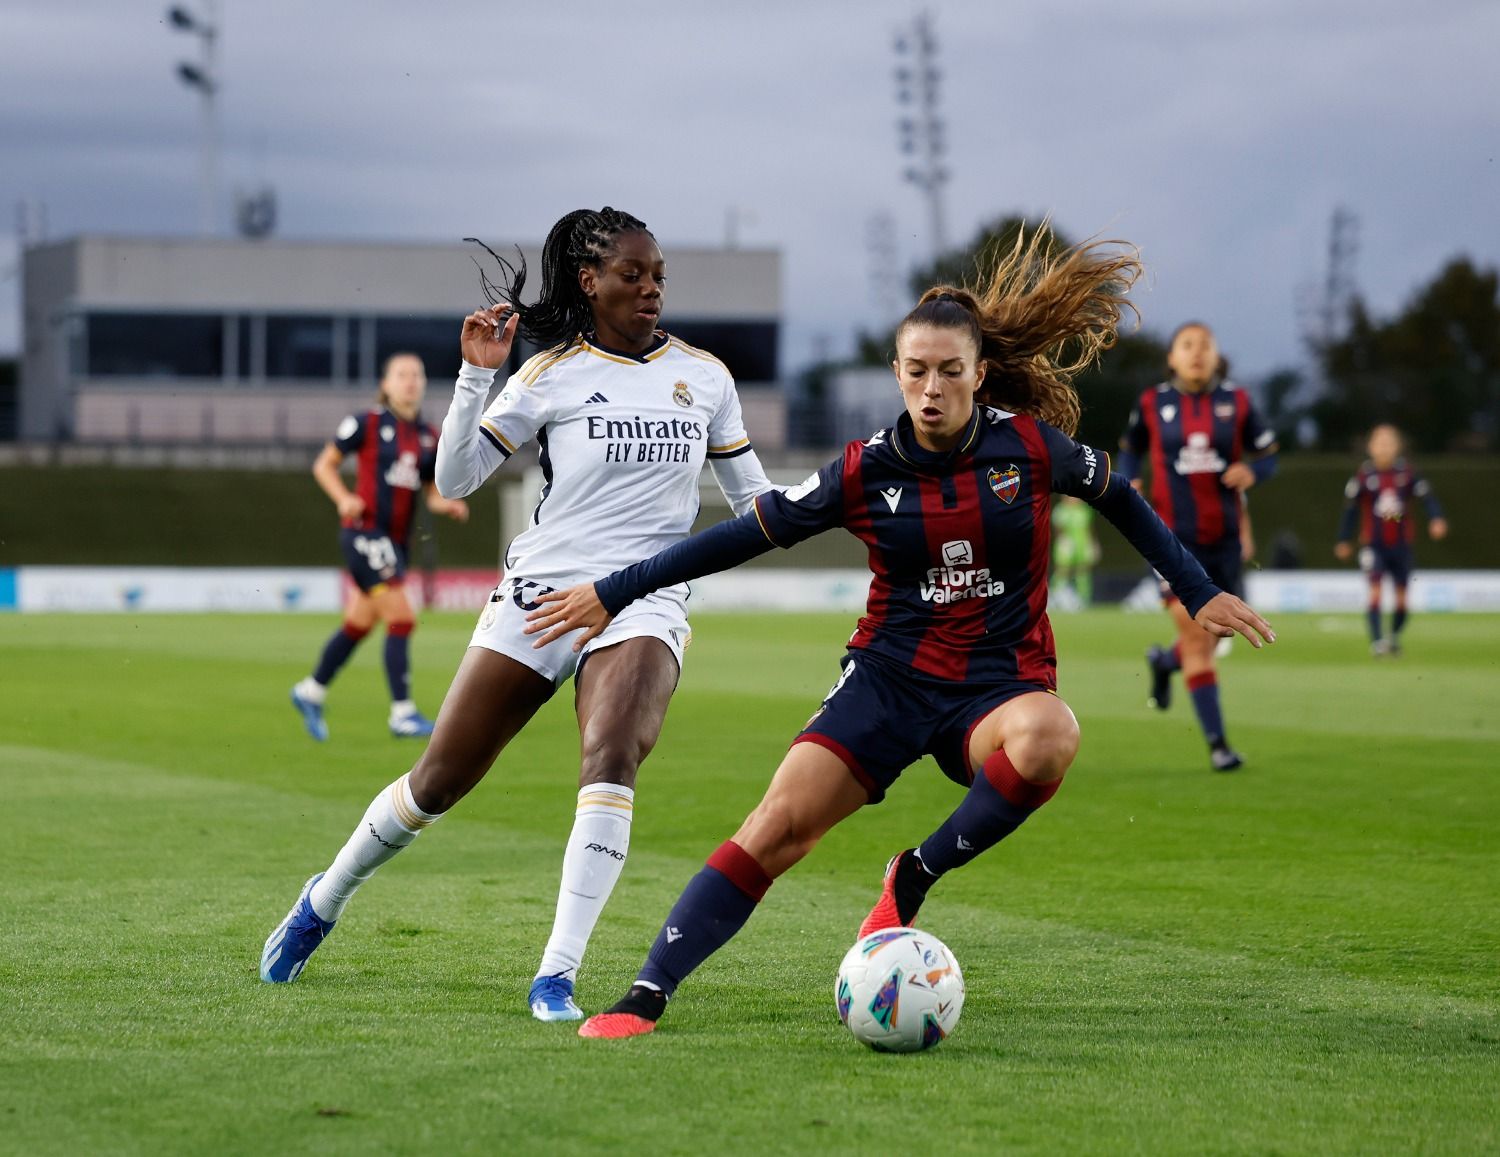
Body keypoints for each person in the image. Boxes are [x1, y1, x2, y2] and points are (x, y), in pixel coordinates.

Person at [520, 230, 1276, 1039]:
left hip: (997, 683)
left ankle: (913, 873)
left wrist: (1197, 589)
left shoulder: (1026, 447)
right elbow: (737, 537)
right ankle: (646, 992)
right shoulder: (863, 468)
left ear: (980, 374)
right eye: (917, 370)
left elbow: (1122, 494)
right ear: (897, 374)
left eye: (951, 370)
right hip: (886, 680)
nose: (932, 387)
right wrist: (613, 589)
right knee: (776, 827)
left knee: (1052, 735)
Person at [260, 208, 774, 1024]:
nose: (650, 290)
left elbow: (759, 507)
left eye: (659, 275)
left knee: (612, 753)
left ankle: (555, 976)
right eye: (632, 275)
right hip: (540, 598)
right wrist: (476, 376)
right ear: (589, 281)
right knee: (436, 783)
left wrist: (849, 504)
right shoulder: (550, 375)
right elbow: (456, 480)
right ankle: (323, 899)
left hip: (645, 597)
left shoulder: (704, 377)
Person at [1118, 323, 1278, 771]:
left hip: (1223, 542)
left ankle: (1163, 662)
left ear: (1216, 355)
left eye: (1205, 345)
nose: (1196, 353)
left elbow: (1268, 456)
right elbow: (1130, 449)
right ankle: (1218, 746)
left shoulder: (1238, 402)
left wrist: (1254, 473)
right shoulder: (1152, 403)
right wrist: (1128, 478)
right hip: (1171, 542)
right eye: (1187, 345)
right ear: (1172, 357)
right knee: (1196, 635)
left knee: (1207, 641)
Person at [290, 353, 469, 741]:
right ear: (386, 384)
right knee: (402, 617)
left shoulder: (427, 437)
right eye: (401, 374)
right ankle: (401, 713)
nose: (410, 381)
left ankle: (310, 691)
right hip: (364, 534)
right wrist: (343, 498)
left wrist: (446, 504)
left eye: (416, 375)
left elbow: (430, 492)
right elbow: (324, 465)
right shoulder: (366, 422)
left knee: (358, 624)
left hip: (397, 544)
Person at [1335, 423, 1447, 656]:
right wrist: (1344, 539)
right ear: (1370, 447)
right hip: (1373, 546)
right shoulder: (1364, 476)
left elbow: (1428, 497)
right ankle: (1377, 643)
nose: (1384, 448)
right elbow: (1351, 510)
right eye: (1379, 443)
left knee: (1402, 601)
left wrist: (1436, 518)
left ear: (1397, 447)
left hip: (1401, 546)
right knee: (1375, 591)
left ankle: (1393, 637)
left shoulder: (1407, 474)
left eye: (1389, 443)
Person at [1050, 495, 1100, 608]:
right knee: (1063, 570)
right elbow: (1057, 528)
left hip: (1082, 544)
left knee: (1083, 570)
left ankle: (1084, 599)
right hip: (1066, 544)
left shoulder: (1084, 510)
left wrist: (1093, 543)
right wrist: (1063, 541)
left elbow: (1089, 528)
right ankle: (1055, 596)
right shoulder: (1060, 510)